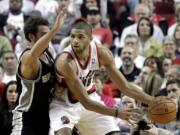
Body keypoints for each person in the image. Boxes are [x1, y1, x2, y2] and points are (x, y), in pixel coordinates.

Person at [49, 18, 154, 135]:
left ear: (90, 39)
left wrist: (153, 101)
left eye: (80, 37)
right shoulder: (65, 62)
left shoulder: (102, 53)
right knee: (64, 133)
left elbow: (125, 87)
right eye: (72, 36)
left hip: (90, 97)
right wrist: (117, 113)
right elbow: (85, 102)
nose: (75, 41)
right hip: (64, 104)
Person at [11, 8, 67, 135]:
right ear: (31, 36)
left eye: (49, 34)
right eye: (44, 35)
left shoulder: (48, 54)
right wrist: (54, 30)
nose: (49, 38)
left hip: (45, 116)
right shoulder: (27, 57)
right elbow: (34, 54)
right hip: (26, 118)